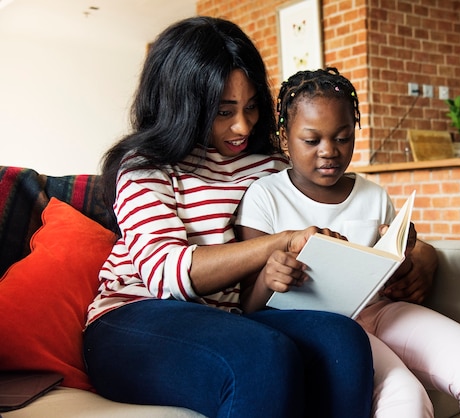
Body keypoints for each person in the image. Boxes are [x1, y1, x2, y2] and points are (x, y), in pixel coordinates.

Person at [83, 18, 374, 418]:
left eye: (251, 106)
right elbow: (167, 275)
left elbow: (337, 215)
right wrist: (280, 241)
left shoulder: (273, 163)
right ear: (182, 104)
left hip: (238, 318)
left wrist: (418, 253)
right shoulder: (146, 167)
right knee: (259, 357)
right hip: (136, 317)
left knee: (343, 341)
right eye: (224, 111)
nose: (243, 125)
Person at [235, 67, 460, 418]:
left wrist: (406, 252)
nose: (329, 151)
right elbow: (247, 306)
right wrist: (268, 277)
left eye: (342, 138)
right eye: (312, 140)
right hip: (320, 326)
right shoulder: (265, 196)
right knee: (405, 398)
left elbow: (390, 273)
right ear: (284, 138)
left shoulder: (373, 194)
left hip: (380, 311)